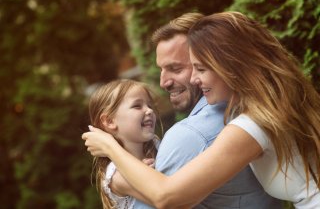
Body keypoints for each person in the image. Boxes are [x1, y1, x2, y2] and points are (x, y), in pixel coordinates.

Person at [83, 11, 320, 208]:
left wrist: (110, 149)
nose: (195, 79)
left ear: (229, 66)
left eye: (200, 69)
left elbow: (166, 196)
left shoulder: (249, 126)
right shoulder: (284, 99)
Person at [87, 79, 160, 209]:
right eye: (137, 106)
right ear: (109, 121)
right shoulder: (116, 175)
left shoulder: (156, 144)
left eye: (150, 105)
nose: (149, 110)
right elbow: (163, 199)